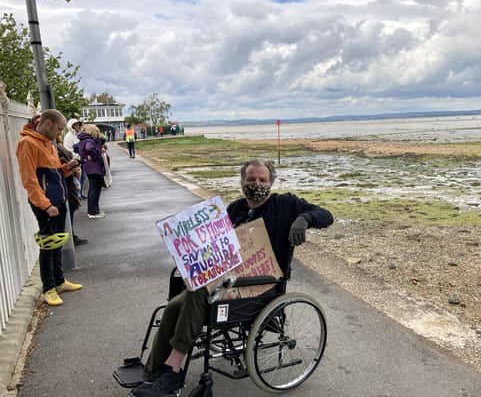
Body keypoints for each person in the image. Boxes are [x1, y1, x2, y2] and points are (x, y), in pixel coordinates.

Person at [129, 159, 334, 397]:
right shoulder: (235, 208)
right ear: (242, 182)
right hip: (227, 282)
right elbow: (214, 247)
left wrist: (304, 219)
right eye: (251, 180)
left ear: (271, 182)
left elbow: (325, 214)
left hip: (261, 285)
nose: (256, 184)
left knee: (197, 291)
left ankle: (173, 370)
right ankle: (154, 372)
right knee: (175, 305)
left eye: (262, 180)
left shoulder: (285, 204)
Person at [15, 109, 83, 306]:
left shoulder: (48, 143)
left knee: (57, 243)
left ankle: (59, 281)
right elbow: (29, 180)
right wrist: (45, 205)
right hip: (46, 204)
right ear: (48, 124)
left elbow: (53, 174)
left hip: (57, 200)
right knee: (48, 245)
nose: (60, 134)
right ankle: (49, 288)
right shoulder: (27, 144)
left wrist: (67, 168)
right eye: (59, 129)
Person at [55, 132, 88, 246]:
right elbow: (59, 165)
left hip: (69, 180)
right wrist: (70, 166)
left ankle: (71, 236)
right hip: (66, 182)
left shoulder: (57, 144)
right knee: (68, 211)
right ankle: (70, 238)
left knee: (71, 209)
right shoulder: (54, 145)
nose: (59, 132)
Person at [78, 124, 106, 218]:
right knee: (95, 189)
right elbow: (89, 148)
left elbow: (76, 148)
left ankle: (94, 210)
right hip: (93, 167)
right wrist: (96, 155)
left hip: (89, 167)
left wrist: (84, 156)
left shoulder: (83, 140)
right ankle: (93, 212)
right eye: (96, 131)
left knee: (93, 188)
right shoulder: (89, 140)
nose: (98, 133)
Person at [63, 118, 87, 199]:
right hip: (75, 161)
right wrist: (77, 156)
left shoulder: (78, 135)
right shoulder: (68, 137)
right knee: (77, 178)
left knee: (83, 177)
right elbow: (68, 149)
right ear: (72, 126)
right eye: (76, 125)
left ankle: (80, 193)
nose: (78, 126)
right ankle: (77, 195)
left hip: (82, 160)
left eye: (78, 124)